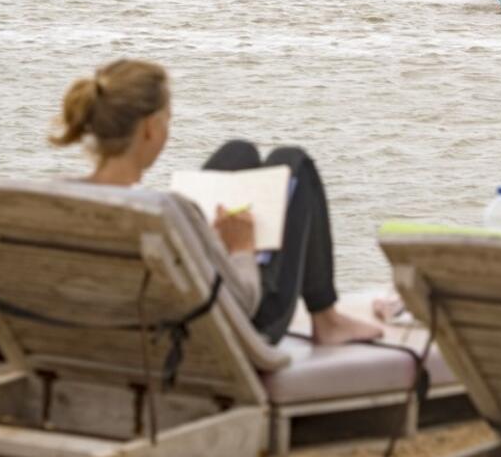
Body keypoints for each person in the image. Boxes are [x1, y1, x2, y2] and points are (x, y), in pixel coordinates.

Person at [51, 58, 383, 345]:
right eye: (168, 119)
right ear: (151, 129)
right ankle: (327, 320)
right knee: (292, 162)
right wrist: (240, 248)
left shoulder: (57, 197)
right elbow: (243, 304)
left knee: (239, 152)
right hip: (230, 332)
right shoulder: (167, 211)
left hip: (126, 324)